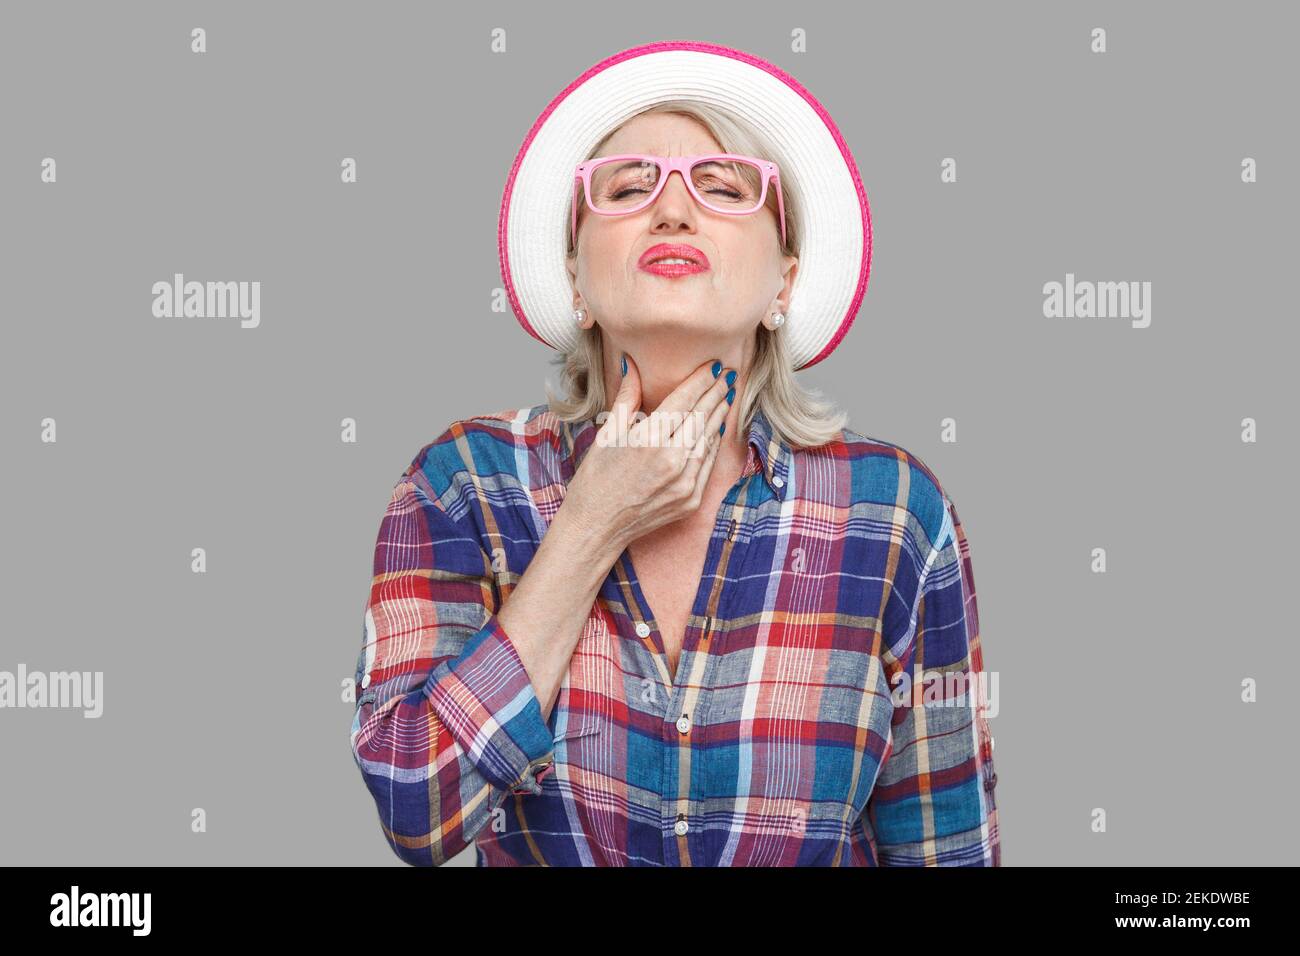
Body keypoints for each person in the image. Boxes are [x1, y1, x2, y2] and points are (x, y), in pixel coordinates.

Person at [349, 41, 999, 866]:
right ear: (576, 282)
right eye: (628, 189)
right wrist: (590, 525)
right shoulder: (461, 484)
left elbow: (947, 845)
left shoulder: (897, 510)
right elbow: (417, 807)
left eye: (723, 188)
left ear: (784, 287)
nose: (673, 211)